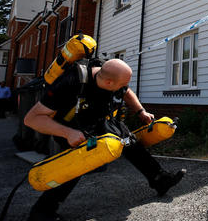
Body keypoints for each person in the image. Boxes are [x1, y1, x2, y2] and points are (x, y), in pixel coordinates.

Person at [24, 58, 185, 221]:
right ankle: (42, 212)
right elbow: (31, 119)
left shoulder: (113, 77)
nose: (124, 88)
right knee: (75, 166)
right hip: (72, 128)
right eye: (121, 85)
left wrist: (141, 111)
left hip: (101, 119)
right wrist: (67, 133)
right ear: (108, 82)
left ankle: (159, 179)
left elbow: (127, 92)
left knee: (130, 142)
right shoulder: (71, 82)